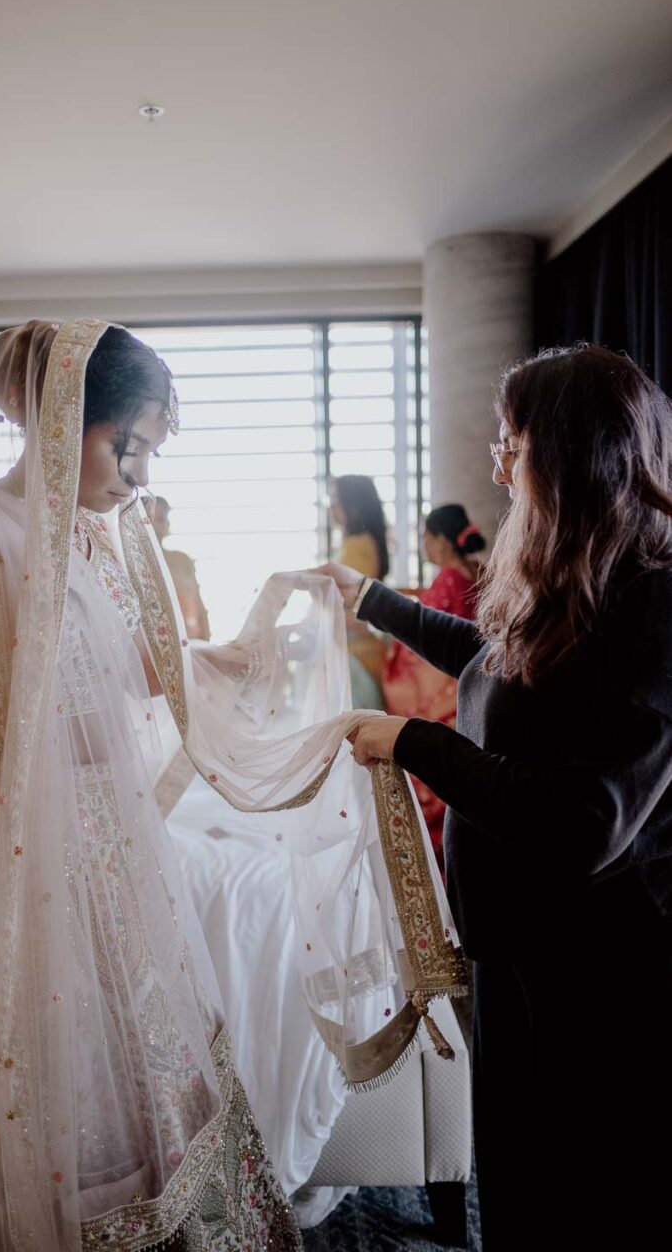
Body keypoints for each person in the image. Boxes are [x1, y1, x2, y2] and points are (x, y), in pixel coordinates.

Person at [0, 319, 465, 1250]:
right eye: (129, 449)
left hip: (124, 866)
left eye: (151, 455)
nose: (140, 479)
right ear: (60, 417)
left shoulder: (112, 543)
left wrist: (268, 636)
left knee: (151, 1104)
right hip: (7, 875)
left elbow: (157, 679)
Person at [320, 344, 672, 1252]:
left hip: (599, 972)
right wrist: (372, 601)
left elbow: (583, 819)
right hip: (519, 952)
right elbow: (490, 665)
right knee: (517, 1185)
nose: (496, 462)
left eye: (510, 441)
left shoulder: (654, 603)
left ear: (568, 453)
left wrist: (415, 742)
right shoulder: (571, 580)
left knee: (581, 1192)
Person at [382, 504, 485, 871]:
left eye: (426, 536)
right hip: (471, 690)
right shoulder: (475, 573)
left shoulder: (446, 581)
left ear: (440, 541)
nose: (423, 544)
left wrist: (393, 652)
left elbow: (420, 656)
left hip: (443, 691)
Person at [329, 475, 389, 708]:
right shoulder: (359, 543)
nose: (331, 507)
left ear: (352, 505)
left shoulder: (357, 546)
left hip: (355, 655)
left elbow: (353, 606)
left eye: (336, 500)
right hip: (357, 649)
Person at [150, 496, 211, 640]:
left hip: (193, 641)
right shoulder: (134, 563)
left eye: (161, 518)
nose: (155, 525)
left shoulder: (182, 559)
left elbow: (198, 603)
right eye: (150, 519)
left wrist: (206, 639)